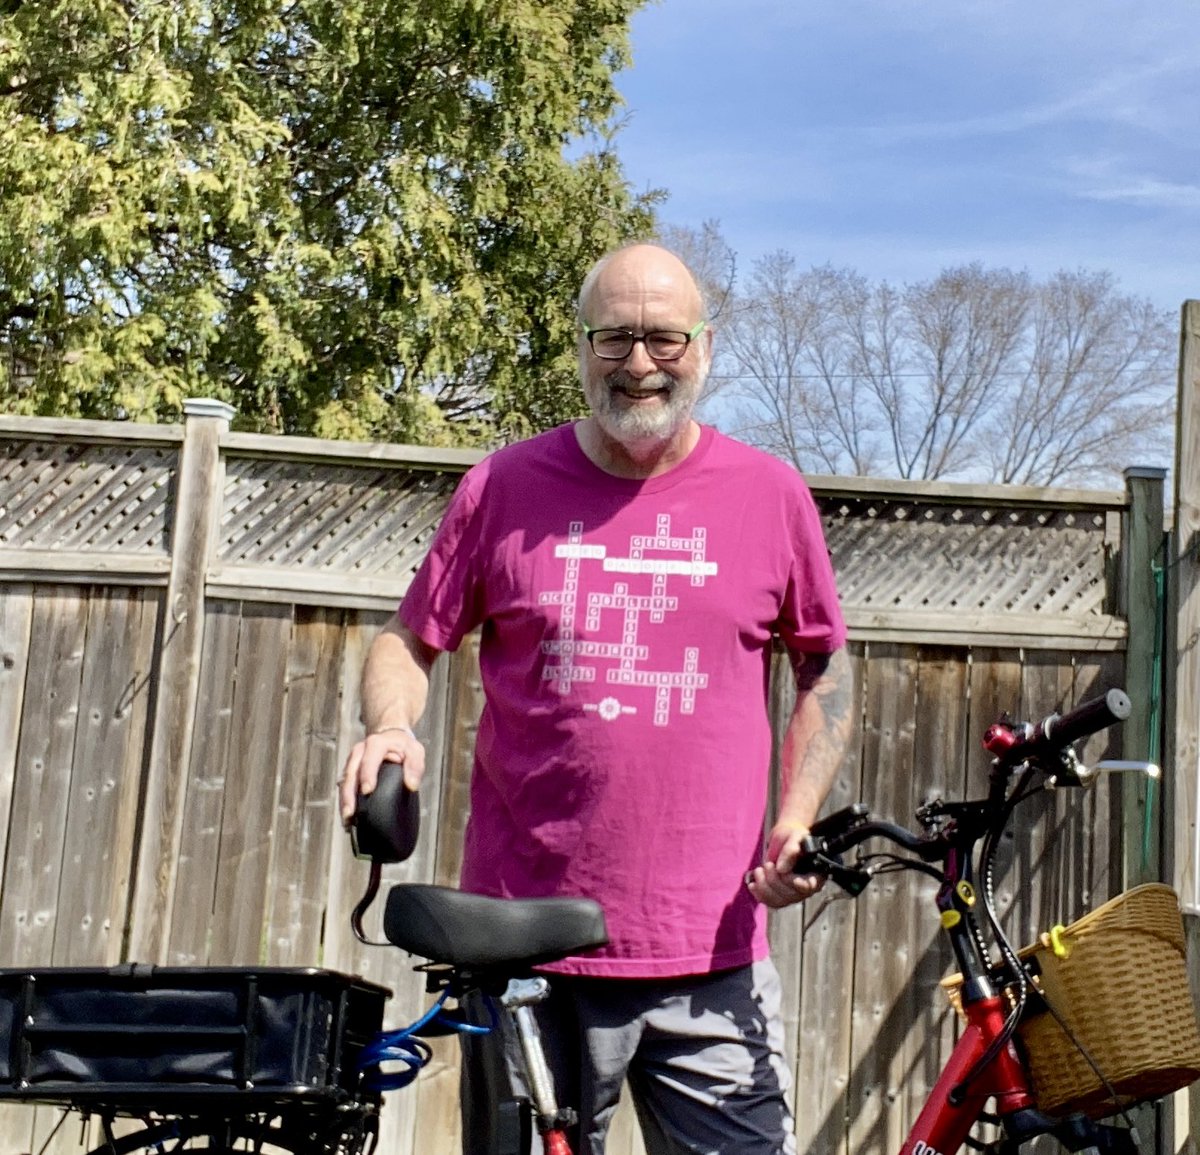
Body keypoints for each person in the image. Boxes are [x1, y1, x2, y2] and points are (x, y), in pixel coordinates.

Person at [339, 243, 852, 1155]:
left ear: (706, 344)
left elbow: (824, 667)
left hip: (714, 955)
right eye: (615, 338)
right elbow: (408, 638)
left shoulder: (769, 495)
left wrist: (797, 816)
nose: (641, 363)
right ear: (580, 347)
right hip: (529, 954)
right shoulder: (501, 486)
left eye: (664, 336)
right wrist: (390, 725)